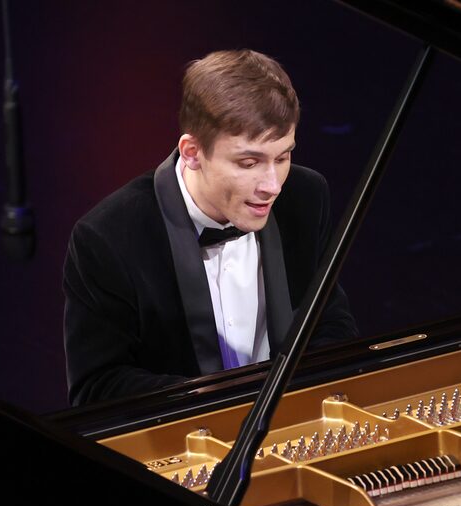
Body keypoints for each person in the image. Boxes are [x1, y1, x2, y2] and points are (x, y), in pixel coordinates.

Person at [63, 50, 357, 406]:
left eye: (282, 157)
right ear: (191, 152)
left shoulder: (306, 197)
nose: (272, 185)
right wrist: (215, 400)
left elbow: (330, 323)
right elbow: (97, 387)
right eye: (249, 162)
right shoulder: (108, 238)